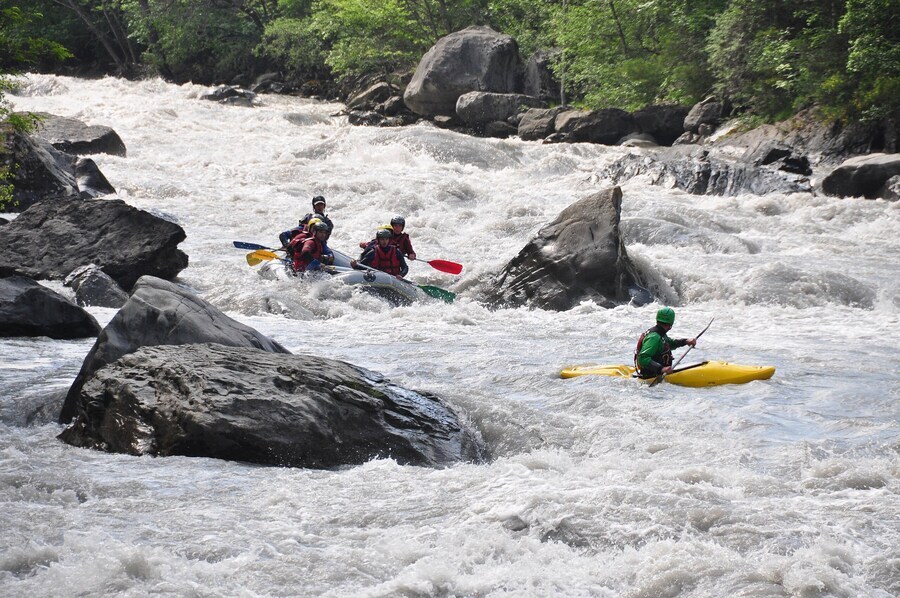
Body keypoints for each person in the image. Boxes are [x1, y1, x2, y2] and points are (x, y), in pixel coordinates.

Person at [634, 307, 697, 378]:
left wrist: (685, 341)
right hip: (650, 376)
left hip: (658, 373)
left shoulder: (660, 333)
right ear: (671, 324)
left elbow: (670, 343)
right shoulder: (654, 337)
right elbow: (642, 358)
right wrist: (661, 369)